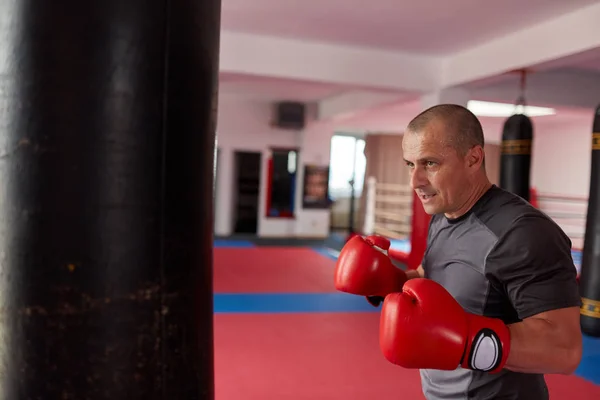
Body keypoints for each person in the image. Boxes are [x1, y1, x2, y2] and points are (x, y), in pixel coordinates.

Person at [334, 104, 582, 399]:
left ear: (473, 158)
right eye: (410, 164)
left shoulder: (523, 232)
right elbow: (435, 279)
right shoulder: (444, 214)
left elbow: (564, 349)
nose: (415, 181)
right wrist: (394, 281)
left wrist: (466, 340)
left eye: (430, 164)